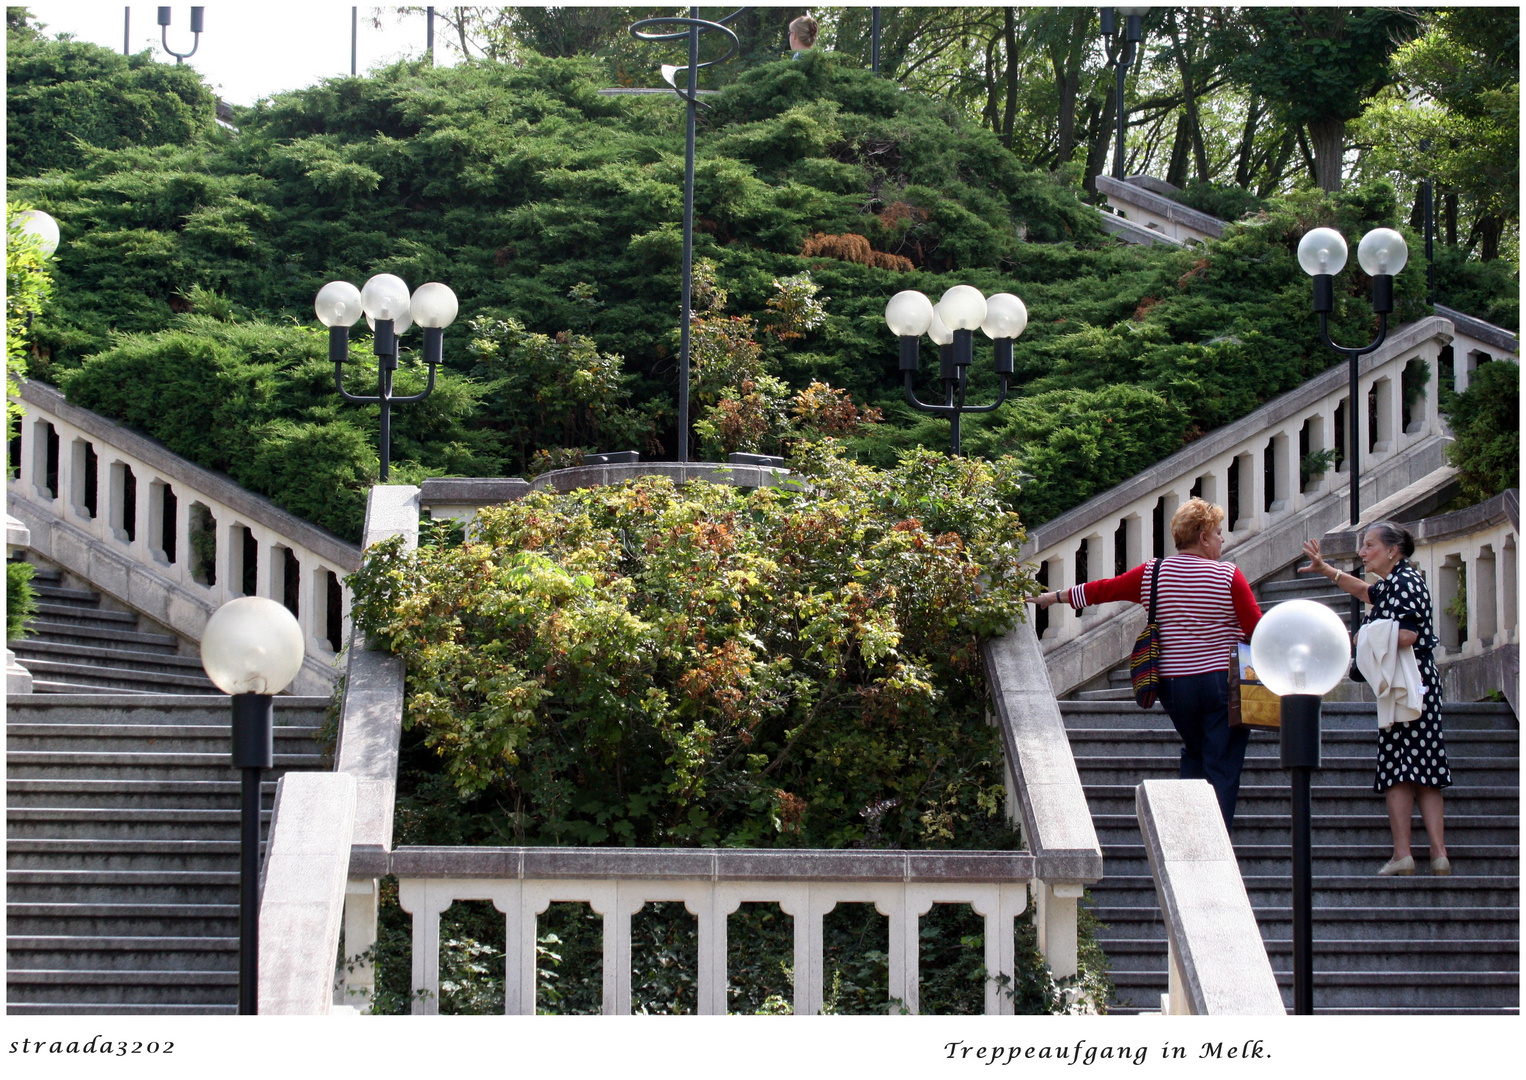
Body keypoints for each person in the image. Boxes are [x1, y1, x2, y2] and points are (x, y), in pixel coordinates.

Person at [1029, 498, 1262, 830]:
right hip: (1220, 684)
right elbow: (1258, 630)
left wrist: (1054, 597)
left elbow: (1104, 590)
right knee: (1222, 763)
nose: (1222, 540)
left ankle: (1189, 831)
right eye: (1219, 533)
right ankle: (1215, 839)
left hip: (1175, 687)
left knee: (1195, 751)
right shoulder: (1228, 576)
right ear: (1204, 537)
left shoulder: (1155, 573)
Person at [1301, 522, 1451, 875]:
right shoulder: (1401, 581)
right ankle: (1438, 854)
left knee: (1399, 770)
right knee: (1425, 769)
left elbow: (1409, 633)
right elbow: (1371, 595)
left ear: (1392, 550)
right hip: (1416, 682)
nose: (1363, 552)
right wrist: (1328, 571)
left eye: (1369, 546)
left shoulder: (1405, 582)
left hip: (1409, 682)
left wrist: (1362, 637)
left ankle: (1404, 853)